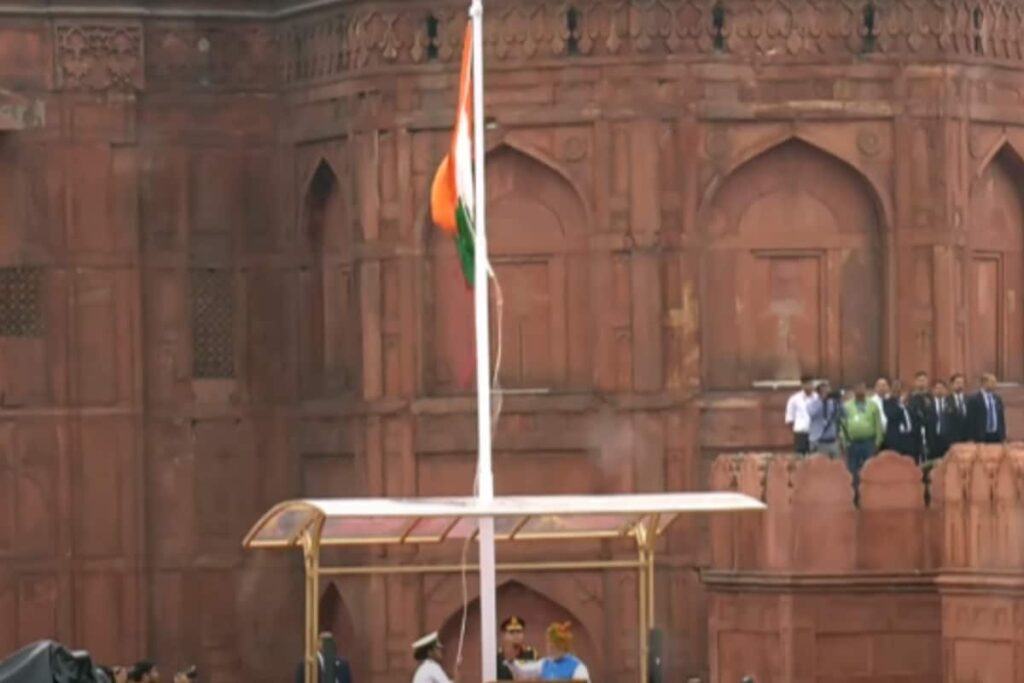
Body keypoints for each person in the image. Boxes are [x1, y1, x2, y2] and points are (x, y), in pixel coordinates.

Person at [510, 622, 590, 682]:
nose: (550, 648)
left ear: (562, 646)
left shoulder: (577, 667)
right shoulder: (545, 664)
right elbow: (523, 672)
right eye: (549, 643)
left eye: (554, 645)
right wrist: (511, 661)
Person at [840, 383, 884, 486]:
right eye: (857, 388)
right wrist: (845, 441)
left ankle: (870, 490)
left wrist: (877, 442)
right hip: (852, 443)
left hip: (869, 442)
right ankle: (855, 491)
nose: (860, 391)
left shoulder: (873, 405)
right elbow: (842, 425)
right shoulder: (846, 406)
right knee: (853, 469)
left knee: (870, 468)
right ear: (853, 391)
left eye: (862, 388)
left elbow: (878, 424)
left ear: (866, 390)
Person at [967, 372, 1006, 443]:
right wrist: (970, 437)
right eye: (992, 382)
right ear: (984, 383)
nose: (995, 384)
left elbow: (1001, 418)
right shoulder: (974, 399)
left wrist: (1003, 436)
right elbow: (970, 420)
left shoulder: (997, 398)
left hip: (996, 435)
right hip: (980, 436)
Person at [885, 389, 922, 462]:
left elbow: (917, 421)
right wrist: (901, 404)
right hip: (897, 441)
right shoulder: (889, 403)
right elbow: (892, 414)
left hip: (911, 441)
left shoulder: (911, 405)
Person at [807, 381, 842, 458]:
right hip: (819, 440)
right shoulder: (812, 403)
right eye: (823, 389)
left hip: (833, 440)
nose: (826, 391)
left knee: (836, 463)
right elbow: (812, 413)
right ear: (818, 392)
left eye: (827, 388)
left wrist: (839, 401)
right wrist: (822, 400)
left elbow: (843, 414)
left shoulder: (833, 403)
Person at [498, 616, 538, 680]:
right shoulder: (497, 657)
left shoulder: (532, 654)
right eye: (511, 632)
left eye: (519, 631)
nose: (516, 635)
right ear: (504, 635)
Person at [908, 370, 936, 459]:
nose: (922, 383)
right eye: (920, 380)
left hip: (929, 432)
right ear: (915, 382)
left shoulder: (930, 397)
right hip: (915, 432)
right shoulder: (911, 397)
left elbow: (933, 414)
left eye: (924, 380)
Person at [785, 376, 814, 455]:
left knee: (815, 457)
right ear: (803, 385)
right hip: (801, 433)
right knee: (800, 457)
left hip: (815, 433)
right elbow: (790, 418)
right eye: (807, 384)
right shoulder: (795, 399)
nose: (810, 386)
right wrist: (795, 431)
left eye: (811, 384)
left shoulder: (817, 398)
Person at [930, 380, 954, 459]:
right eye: (937, 388)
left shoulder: (951, 403)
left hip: (948, 438)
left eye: (941, 388)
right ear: (933, 390)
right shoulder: (929, 404)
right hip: (933, 437)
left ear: (946, 390)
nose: (939, 390)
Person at [949, 373, 970, 444]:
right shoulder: (947, 400)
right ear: (952, 384)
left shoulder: (969, 399)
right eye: (957, 382)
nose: (960, 385)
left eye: (961, 383)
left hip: (967, 435)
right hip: (952, 436)